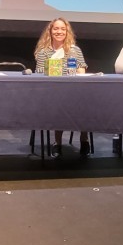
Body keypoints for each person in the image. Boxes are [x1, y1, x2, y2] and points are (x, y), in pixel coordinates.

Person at [33, 17, 90, 156]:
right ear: (50, 31)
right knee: (59, 104)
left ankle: (84, 139)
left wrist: (71, 74)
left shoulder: (74, 50)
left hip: (73, 91)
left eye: (63, 29)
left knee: (86, 102)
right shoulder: (43, 52)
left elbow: (81, 70)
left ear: (67, 32)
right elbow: (39, 73)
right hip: (51, 92)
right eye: (56, 28)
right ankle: (57, 143)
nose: (59, 32)